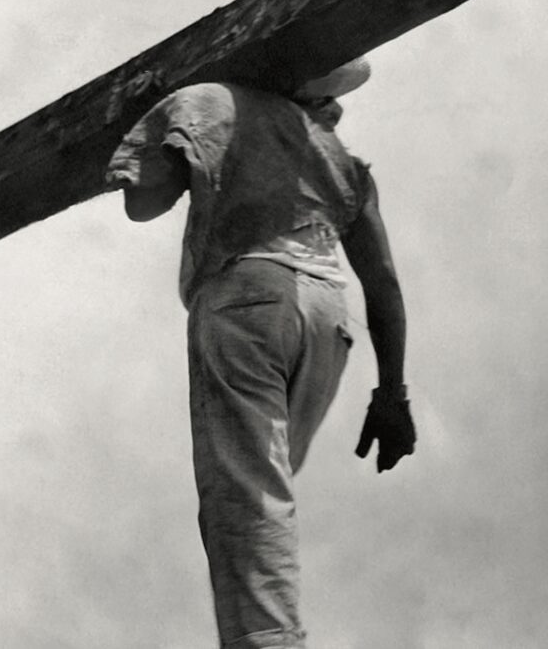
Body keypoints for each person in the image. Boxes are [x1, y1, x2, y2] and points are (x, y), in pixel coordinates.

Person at [106, 58, 416, 648]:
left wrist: (151, 120)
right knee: (258, 496)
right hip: (327, 318)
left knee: (245, 503)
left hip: (249, 297)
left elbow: (141, 205)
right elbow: (383, 284)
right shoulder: (339, 158)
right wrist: (392, 393)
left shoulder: (216, 103)